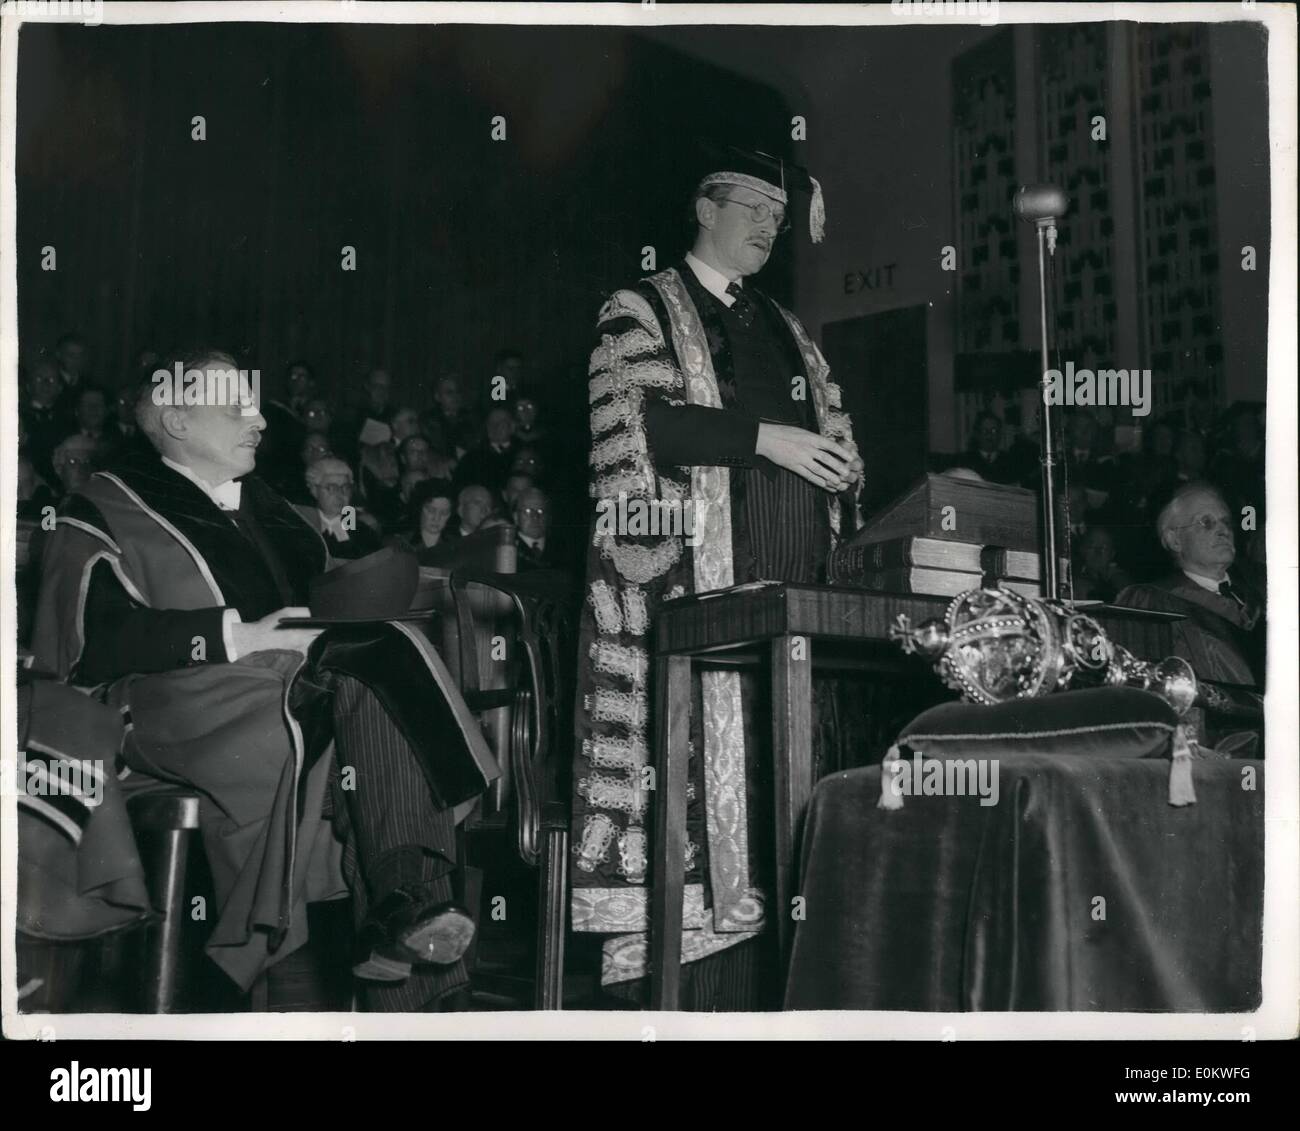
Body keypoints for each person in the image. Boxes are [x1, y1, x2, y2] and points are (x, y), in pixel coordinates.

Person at [31, 347, 491, 1012]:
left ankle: (405, 915)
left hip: (298, 686)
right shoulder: (102, 505)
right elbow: (87, 644)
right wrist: (227, 634)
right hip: (172, 700)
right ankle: (405, 964)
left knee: (375, 671)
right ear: (179, 419)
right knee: (371, 688)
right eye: (235, 405)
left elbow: (327, 604)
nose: (258, 418)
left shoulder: (276, 510)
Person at [571, 149, 861, 1008]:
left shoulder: (790, 327)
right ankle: (692, 994)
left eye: (779, 215)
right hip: (690, 578)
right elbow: (641, 421)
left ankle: (788, 982)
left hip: (791, 570)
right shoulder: (641, 305)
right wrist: (766, 439)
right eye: (752, 207)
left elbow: (831, 423)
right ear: (703, 206)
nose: (768, 225)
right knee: (699, 781)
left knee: (792, 754)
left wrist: (845, 464)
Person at [1115, 483, 1264, 688]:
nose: (1223, 530)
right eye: (1206, 522)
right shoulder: (1151, 602)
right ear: (1175, 540)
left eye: (1226, 522)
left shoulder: (1264, 592)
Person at [296, 456, 383, 561]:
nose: (340, 494)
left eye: (345, 487)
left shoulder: (361, 527)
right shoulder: (304, 527)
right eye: (331, 488)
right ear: (314, 490)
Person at [454, 407, 518, 495]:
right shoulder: (472, 458)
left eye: (501, 422)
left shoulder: (522, 453)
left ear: (512, 427)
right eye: (491, 423)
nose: (495, 427)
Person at [512, 487, 553, 570]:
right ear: (516, 517)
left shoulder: (563, 550)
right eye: (528, 511)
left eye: (540, 511)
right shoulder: (508, 550)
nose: (535, 517)